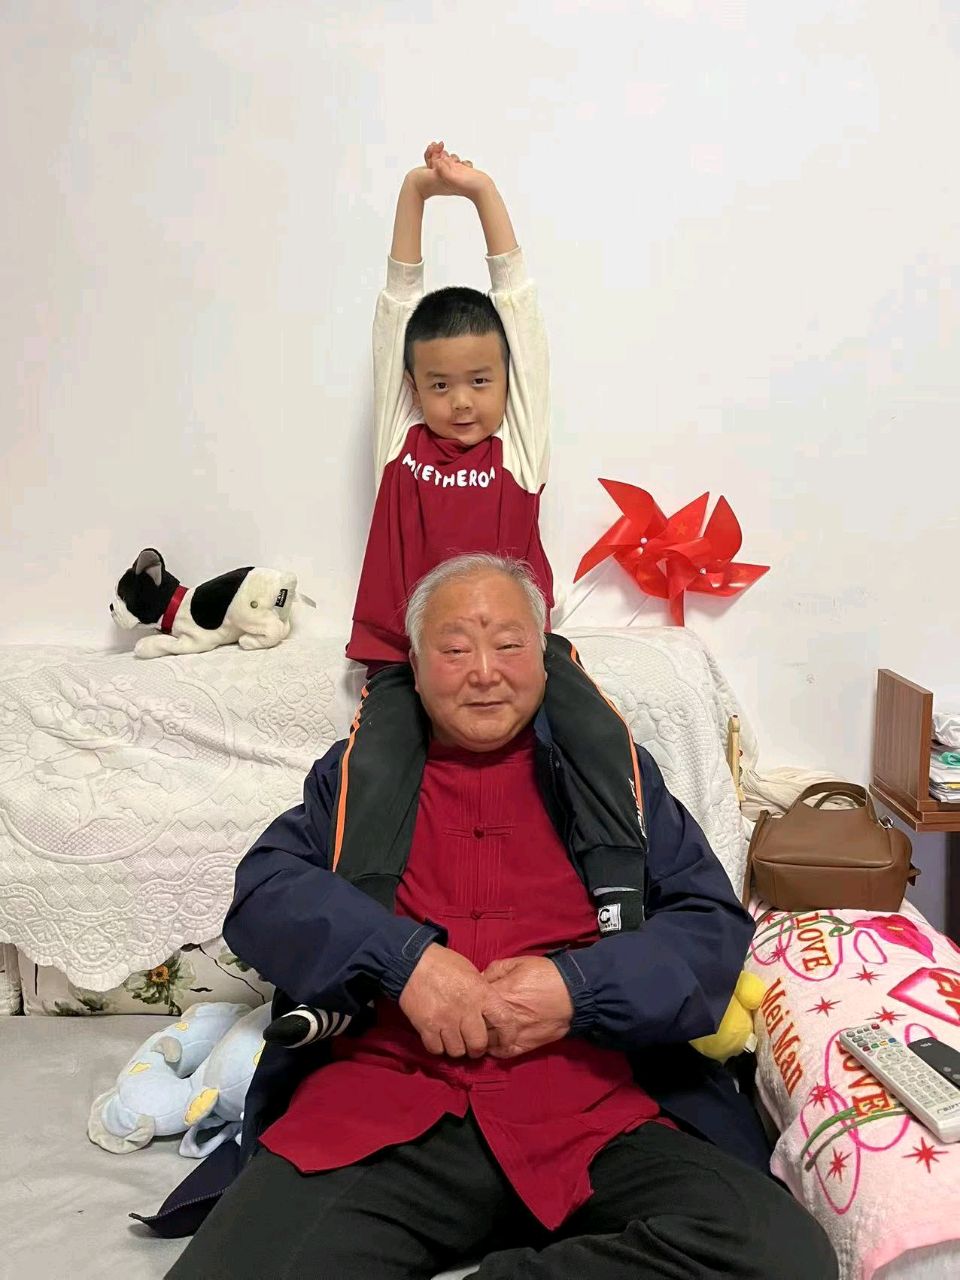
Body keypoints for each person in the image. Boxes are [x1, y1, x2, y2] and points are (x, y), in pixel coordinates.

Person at [164, 555, 837, 1280]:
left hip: (592, 1107)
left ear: (543, 657)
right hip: (386, 1107)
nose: (484, 672)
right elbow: (266, 892)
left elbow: (708, 925)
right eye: (455, 649)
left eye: (509, 645)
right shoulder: (358, 772)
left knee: (781, 1257)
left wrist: (578, 988)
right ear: (416, 667)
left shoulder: (616, 772)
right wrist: (404, 962)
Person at [331, 142, 651, 964]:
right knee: (375, 765)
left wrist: (481, 194)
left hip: (519, 648)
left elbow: (520, 309)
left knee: (594, 728)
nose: (462, 401)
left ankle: (620, 895)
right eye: (439, 385)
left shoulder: (520, 446)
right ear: (413, 388)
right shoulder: (400, 446)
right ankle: (361, 930)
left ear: (507, 384)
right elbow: (397, 308)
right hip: (407, 657)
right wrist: (414, 191)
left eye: (480, 380)